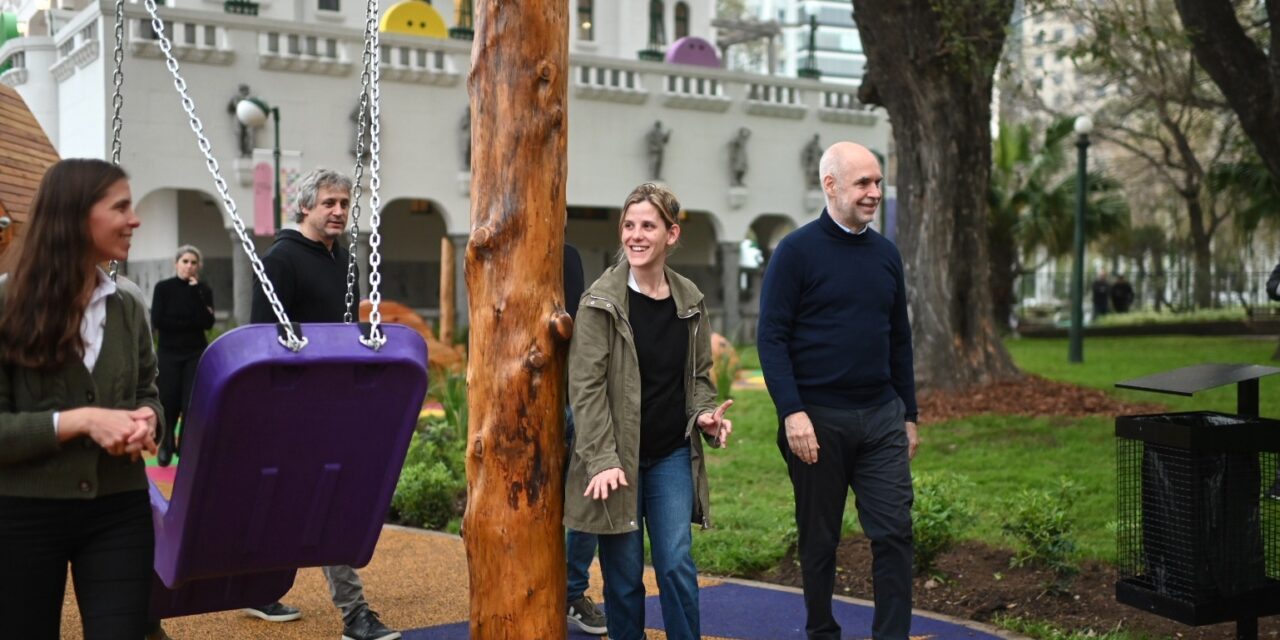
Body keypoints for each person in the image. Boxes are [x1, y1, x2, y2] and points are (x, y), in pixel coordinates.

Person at [757, 142, 918, 640]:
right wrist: (792, 412)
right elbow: (771, 338)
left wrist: (909, 415)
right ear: (831, 185)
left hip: (881, 416)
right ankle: (822, 631)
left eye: (878, 182)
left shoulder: (886, 254)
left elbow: (900, 339)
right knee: (820, 540)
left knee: (894, 533)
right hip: (817, 421)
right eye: (863, 183)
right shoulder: (796, 252)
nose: (874, 192)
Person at [0, 158, 162, 638]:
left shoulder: (127, 304)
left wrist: (147, 418)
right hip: (21, 513)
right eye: (121, 207)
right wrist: (84, 420)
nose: (134, 219)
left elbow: (148, 390)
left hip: (119, 508)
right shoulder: (5, 306)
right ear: (75, 214)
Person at [565, 182, 733, 640]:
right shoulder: (600, 301)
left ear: (671, 234)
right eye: (629, 225)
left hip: (670, 454)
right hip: (616, 460)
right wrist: (602, 459)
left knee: (676, 562)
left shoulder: (689, 299)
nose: (635, 236)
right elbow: (585, 388)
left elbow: (699, 376)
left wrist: (705, 414)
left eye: (648, 226)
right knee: (623, 576)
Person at [248, 168, 399, 640]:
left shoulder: (344, 261)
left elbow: (344, 332)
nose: (338, 211)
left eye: (344, 204)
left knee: (297, 499)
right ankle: (355, 615)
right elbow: (261, 337)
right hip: (293, 404)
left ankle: (256, 585)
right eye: (329, 203)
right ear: (305, 206)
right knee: (326, 500)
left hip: (333, 399)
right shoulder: (280, 260)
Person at [562, 241, 609, 635]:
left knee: (588, 493)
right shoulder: (497, 246)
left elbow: (574, 326)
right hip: (516, 397)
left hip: (569, 394)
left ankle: (571, 591)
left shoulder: (567, 255)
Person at [150, 245, 214, 467]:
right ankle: (166, 443)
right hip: (169, 353)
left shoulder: (203, 290)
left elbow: (207, 322)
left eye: (193, 262)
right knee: (169, 399)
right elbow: (159, 320)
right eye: (185, 261)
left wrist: (195, 295)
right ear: (176, 263)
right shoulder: (163, 288)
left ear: (199, 266)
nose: (189, 266)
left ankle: (185, 445)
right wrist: (190, 322)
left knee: (190, 401)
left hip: (194, 353)